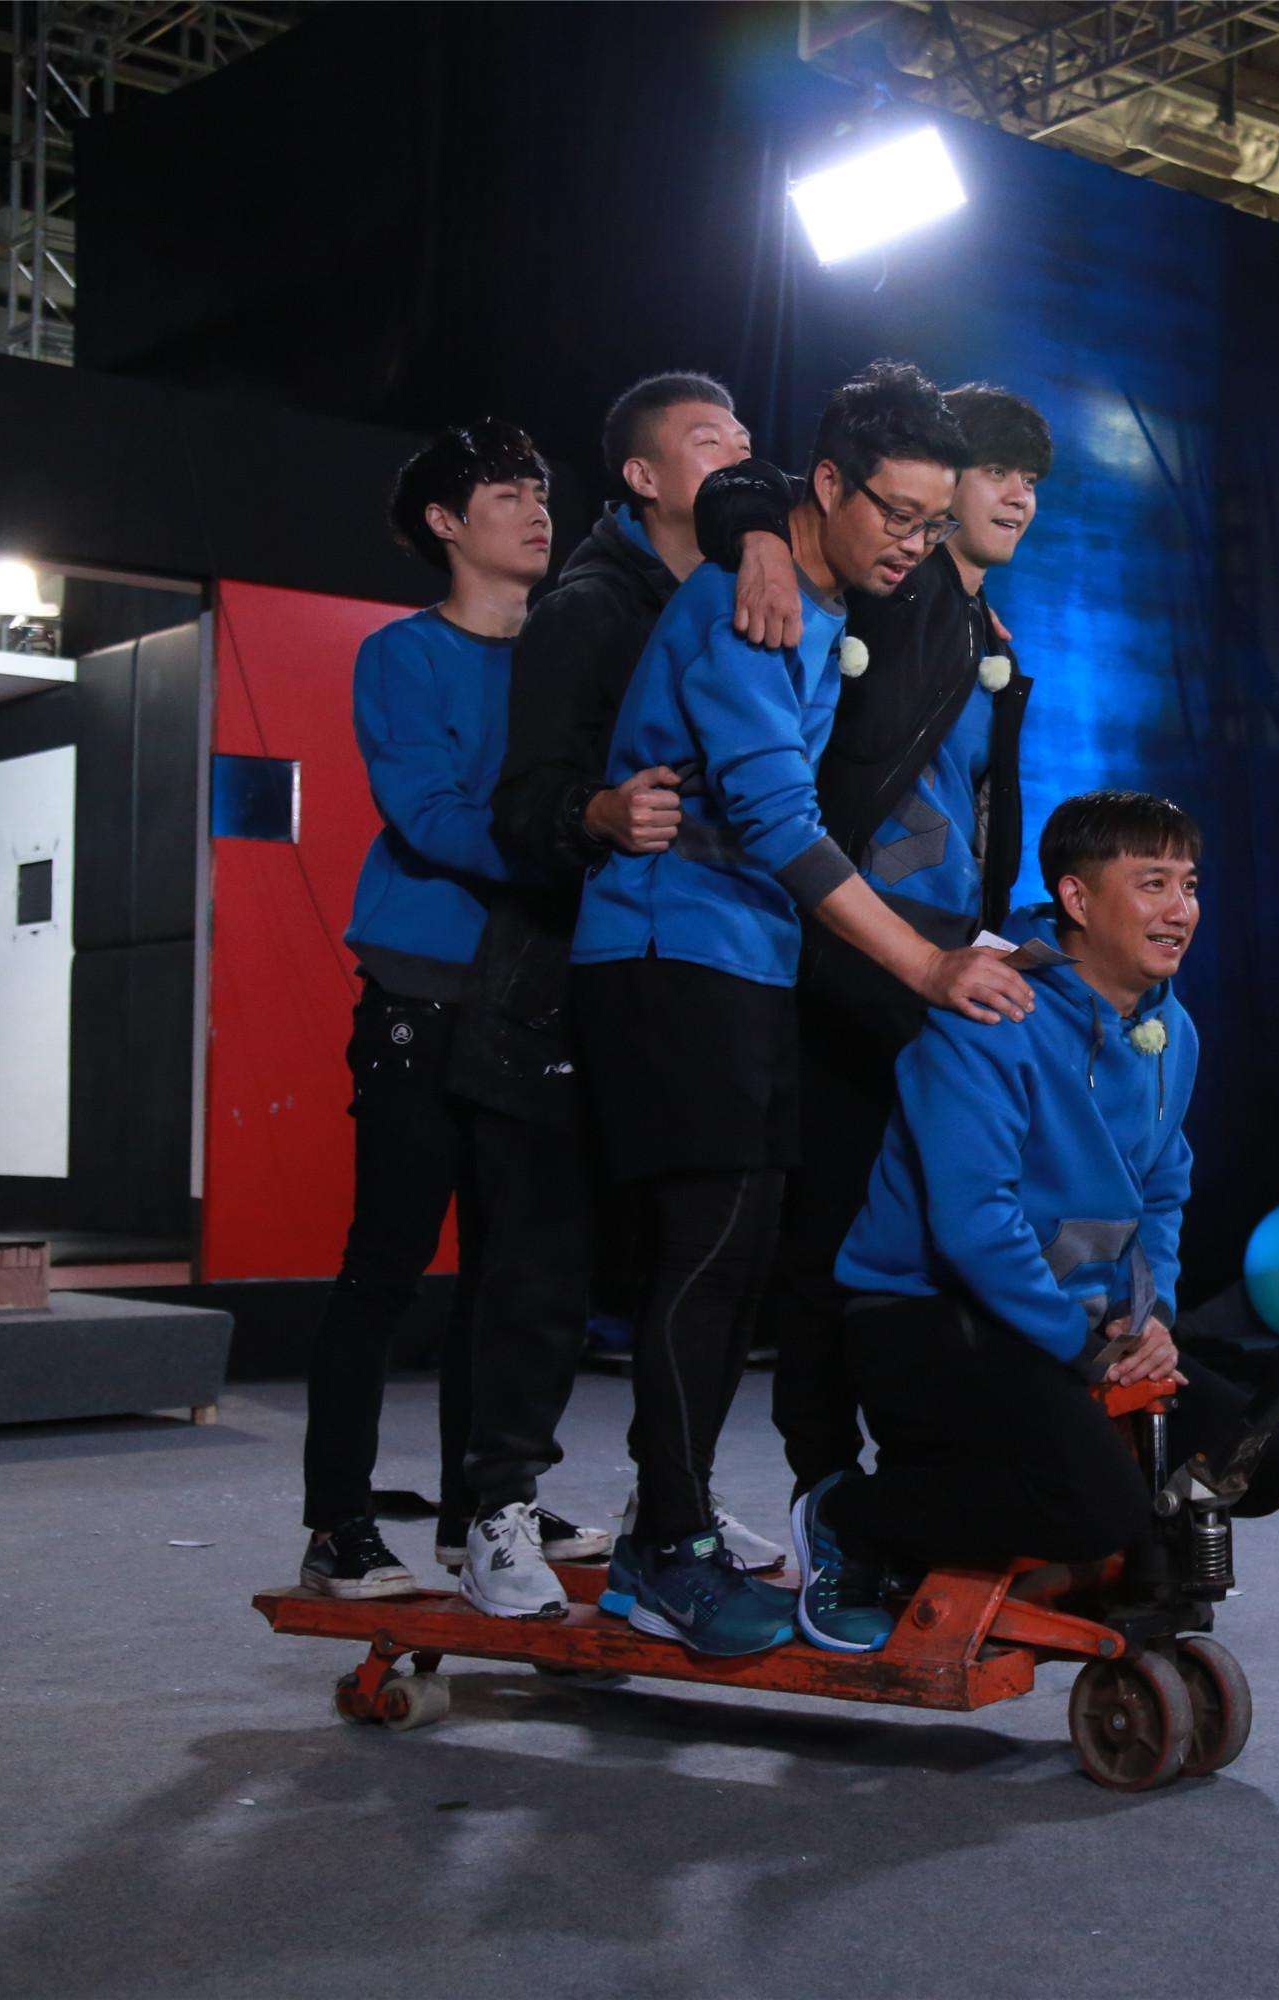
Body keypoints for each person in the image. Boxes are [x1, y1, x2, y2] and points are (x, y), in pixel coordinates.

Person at [569, 360, 1036, 1658]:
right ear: (828, 485)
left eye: (931, 522)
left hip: (746, 955)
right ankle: (665, 1546)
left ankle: (672, 1530)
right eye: (895, 512)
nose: (912, 543)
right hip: (668, 944)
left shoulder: (819, 597)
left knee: (739, 1257)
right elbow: (777, 819)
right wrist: (927, 967)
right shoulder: (750, 604)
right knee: (708, 1255)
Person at [793, 791, 1279, 1653]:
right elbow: (975, 1226)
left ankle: (1066, 1515)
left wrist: (1149, 1318)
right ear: (1077, 898)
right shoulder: (990, 1012)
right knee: (1094, 1511)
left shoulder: (1171, 1030)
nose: (1181, 910)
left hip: (1072, 1324)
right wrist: (1079, 1345)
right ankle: (850, 1514)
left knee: (1261, 1460)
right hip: (927, 1318)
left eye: (1189, 884)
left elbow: (1162, 1192)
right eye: (1152, 883)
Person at [471, 371, 802, 1573]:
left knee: (695, 1251)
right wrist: (598, 811)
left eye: (745, 436)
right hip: (566, 973)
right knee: (547, 1258)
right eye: (708, 440)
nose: (739, 454)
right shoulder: (589, 608)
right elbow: (520, 805)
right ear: (644, 476)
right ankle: (495, 1512)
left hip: (695, 964)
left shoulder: (745, 589)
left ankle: (675, 1501)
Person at [298, 419, 609, 1615]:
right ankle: (337, 1523)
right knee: (385, 1263)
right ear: (445, 522)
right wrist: (576, 842)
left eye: (541, 489)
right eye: (506, 492)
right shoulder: (403, 653)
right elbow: (427, 813)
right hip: (426, 990)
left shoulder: (568, 648)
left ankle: (487, 1509)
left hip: (536, 993)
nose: (537, 509)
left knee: (510, 1269)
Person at [769, 382, 1052, 1501]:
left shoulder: (978, 623)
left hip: (941, 952)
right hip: (859, 949)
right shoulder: (896, 593)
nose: (1018, 496)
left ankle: (910, 1477)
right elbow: (772, 497)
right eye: (997, 472)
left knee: (920, 1221)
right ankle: (827, 1484)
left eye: (1032, 479)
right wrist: (758, 537)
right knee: (835, 1222)